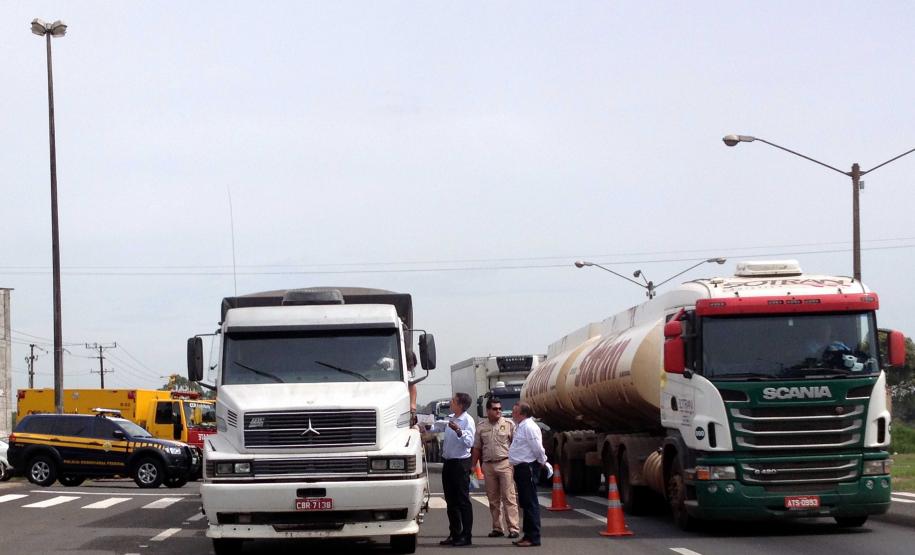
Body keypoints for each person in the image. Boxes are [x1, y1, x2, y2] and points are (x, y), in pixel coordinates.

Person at [427, 392, 476, 546]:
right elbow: (437, 427)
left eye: (453, 401)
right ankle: (454, 534)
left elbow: (469, 442)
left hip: (460, 464)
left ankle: (466, 536)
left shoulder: (467, 420)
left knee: (462, 501)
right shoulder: (451, 418)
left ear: (461, 405)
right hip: (448, 463)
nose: (450, 403)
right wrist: (427, 426)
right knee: (451, 501)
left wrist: (459, 431)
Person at [471, 397, 520, 539]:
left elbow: (516, 445)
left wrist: (515, 463)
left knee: (509, 497)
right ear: (488, 411)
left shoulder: (509, 424)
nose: (498, 411)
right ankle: (497, 528)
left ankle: (514, 528)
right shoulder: (481, 427)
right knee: (493, 499)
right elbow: (477, 448)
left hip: (505, 463)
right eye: (494, 409)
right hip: (488, 465)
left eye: (499, 408)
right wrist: (473, 466)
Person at [508, 402, 551, 548]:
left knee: (530, 503)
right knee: (525, 503)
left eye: (515, 411)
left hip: (527, 468)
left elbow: (537, 448)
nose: (513, 414)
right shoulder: (520, 426)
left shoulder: (529, 427)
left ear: (522, 414)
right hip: (520, 468)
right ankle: (527, 535)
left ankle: (533, 537)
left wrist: (543, 462)